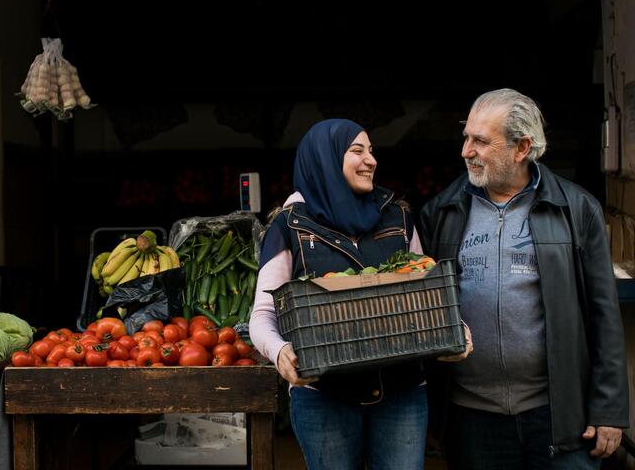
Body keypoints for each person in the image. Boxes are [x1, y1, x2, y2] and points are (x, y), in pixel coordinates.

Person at [419, 88, 629, 470]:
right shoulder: (443, 211)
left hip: (559, 413)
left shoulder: (576, 209)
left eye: (480, 140)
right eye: (466, 136)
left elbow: (604, 315)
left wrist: (610, 409)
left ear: (522, 148)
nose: (466, 150)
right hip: (471, 417)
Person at [250, 119, 470, 470]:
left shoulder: (396, 216)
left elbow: (424, 288)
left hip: (402, 391)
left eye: (371, 151)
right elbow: (262, 315)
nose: (371, 160)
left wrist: (453, 326)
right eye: (357, 151)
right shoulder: (289, 226)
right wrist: (280, 353)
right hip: (324, 397)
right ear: (325, 159)